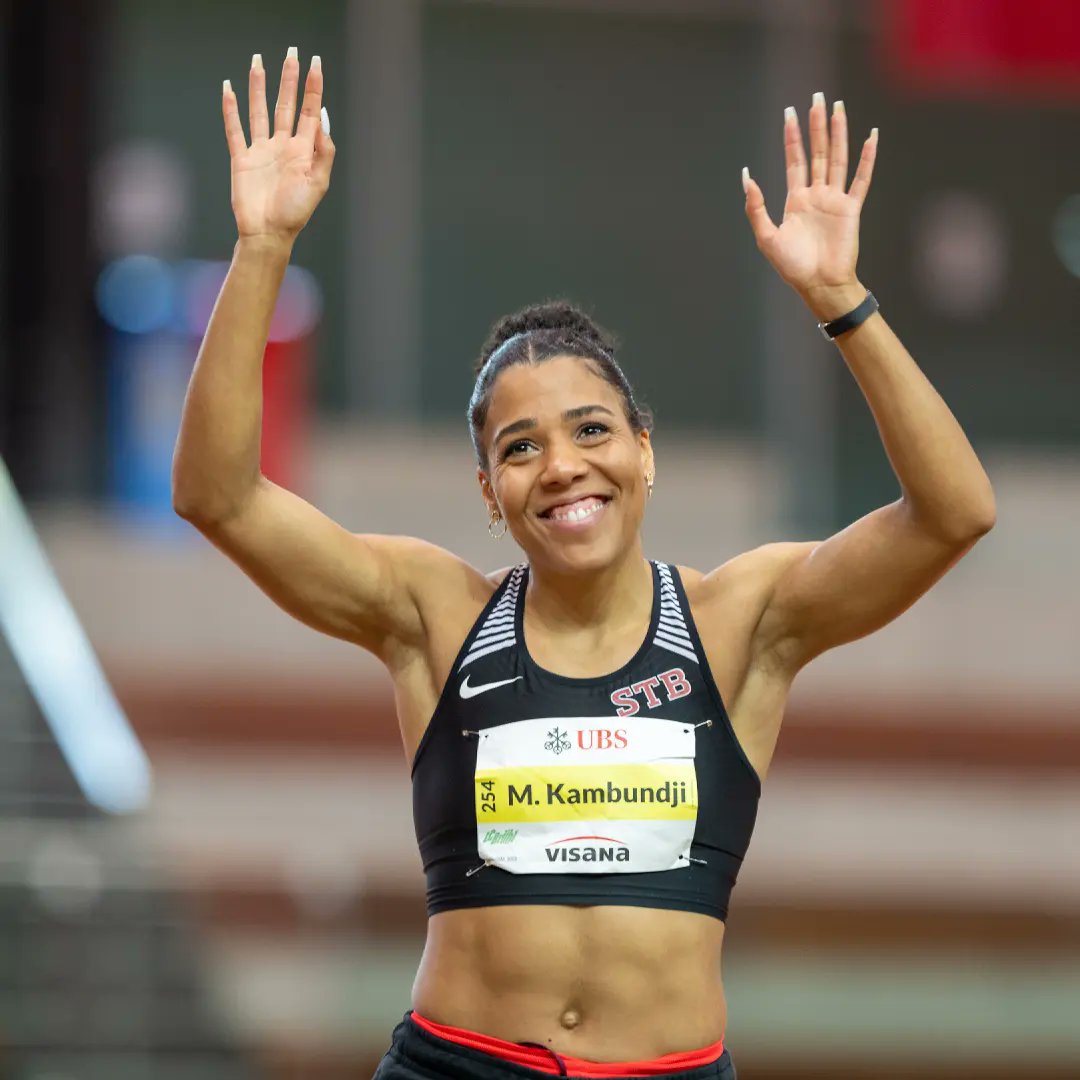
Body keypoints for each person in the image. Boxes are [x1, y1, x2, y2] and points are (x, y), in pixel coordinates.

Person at [174, 49, 996, 1080]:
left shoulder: (744, 619)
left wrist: (842, 299)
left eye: (591, 429)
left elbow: (955, 512)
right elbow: (218, 496)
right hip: (457, 1064)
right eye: (519, 448)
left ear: (643, 449)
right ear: (489, 491)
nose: (562, 466)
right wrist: (263, 247)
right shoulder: (433, 615)